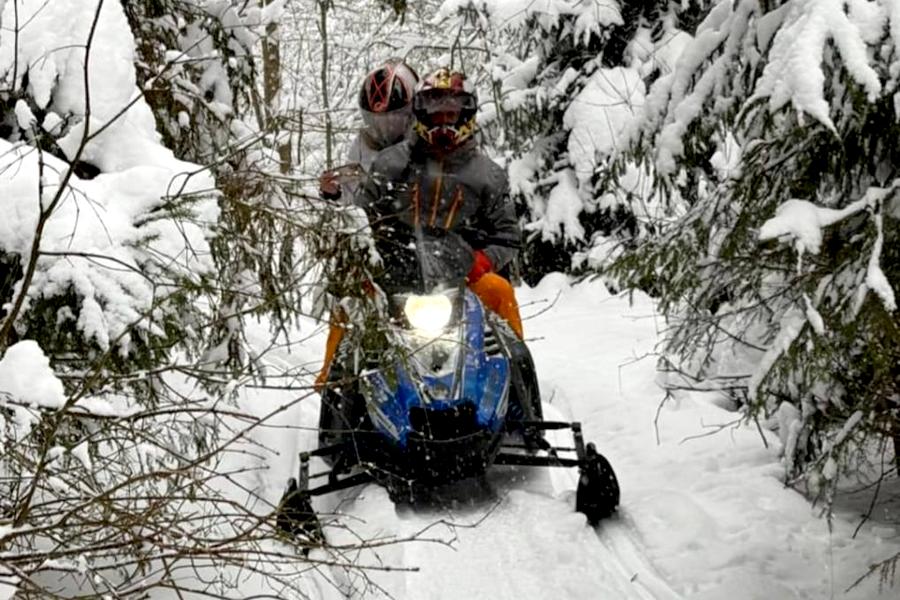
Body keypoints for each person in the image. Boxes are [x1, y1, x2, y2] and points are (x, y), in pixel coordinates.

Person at [360, 67, 524, 339]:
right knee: (350, 299)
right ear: (422, 115)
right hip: (395, 273)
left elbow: (507, 237)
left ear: (466, 116)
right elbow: (361, 217)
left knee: (500, 291)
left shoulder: (488, 175)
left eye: (451, 115)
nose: (443, 123)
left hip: (463, 277)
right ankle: (330, 377)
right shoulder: (390, 163)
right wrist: (366, 259)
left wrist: (480, 261)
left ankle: (518, 374)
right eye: (436, 115)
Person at [315, 58, 419, 389]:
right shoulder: (361, 145)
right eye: (376, 120)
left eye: (393, 119)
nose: (384, 128)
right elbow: (351, 200)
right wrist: (332, 193)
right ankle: (332, 380)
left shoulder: (427, 141)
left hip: (427, 247)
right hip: (380, 249)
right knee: (346, 307)